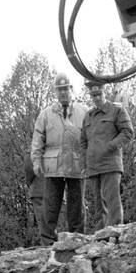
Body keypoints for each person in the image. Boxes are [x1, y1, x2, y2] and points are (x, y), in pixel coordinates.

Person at [30, 72, 87, 244]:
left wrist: (89, 161)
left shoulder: (84, 112)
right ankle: (47, 242)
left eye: (65, 89)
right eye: (59, 89)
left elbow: (90, 138)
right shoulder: (46, 114)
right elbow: (37, 139)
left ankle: (77, 240)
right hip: (52, 166)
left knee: (77, 206)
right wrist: (36, 161)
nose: (63, 92)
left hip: (77, 164)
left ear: (72, 89)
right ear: (55, 92)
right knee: (50, 206)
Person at [79, 80, 134, 231]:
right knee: (98, 205)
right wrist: (84, 163)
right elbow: (83, 142)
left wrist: (110, 146)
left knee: (112, 201)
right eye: (93, 95)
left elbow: (128, 132)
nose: (96, 98)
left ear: (104, 92)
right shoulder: (88, 116)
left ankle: (116, 232)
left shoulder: (117, 111)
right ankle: (100, 235)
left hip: (110, 164)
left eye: (99, 94)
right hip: (93, 167)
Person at [24, 149, 48, 241]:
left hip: (38, 190)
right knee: (58, 223)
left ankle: (49, 248)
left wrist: (30, 184)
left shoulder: (31, 153)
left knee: (43, 223)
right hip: (58, 192)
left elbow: (29, 171)